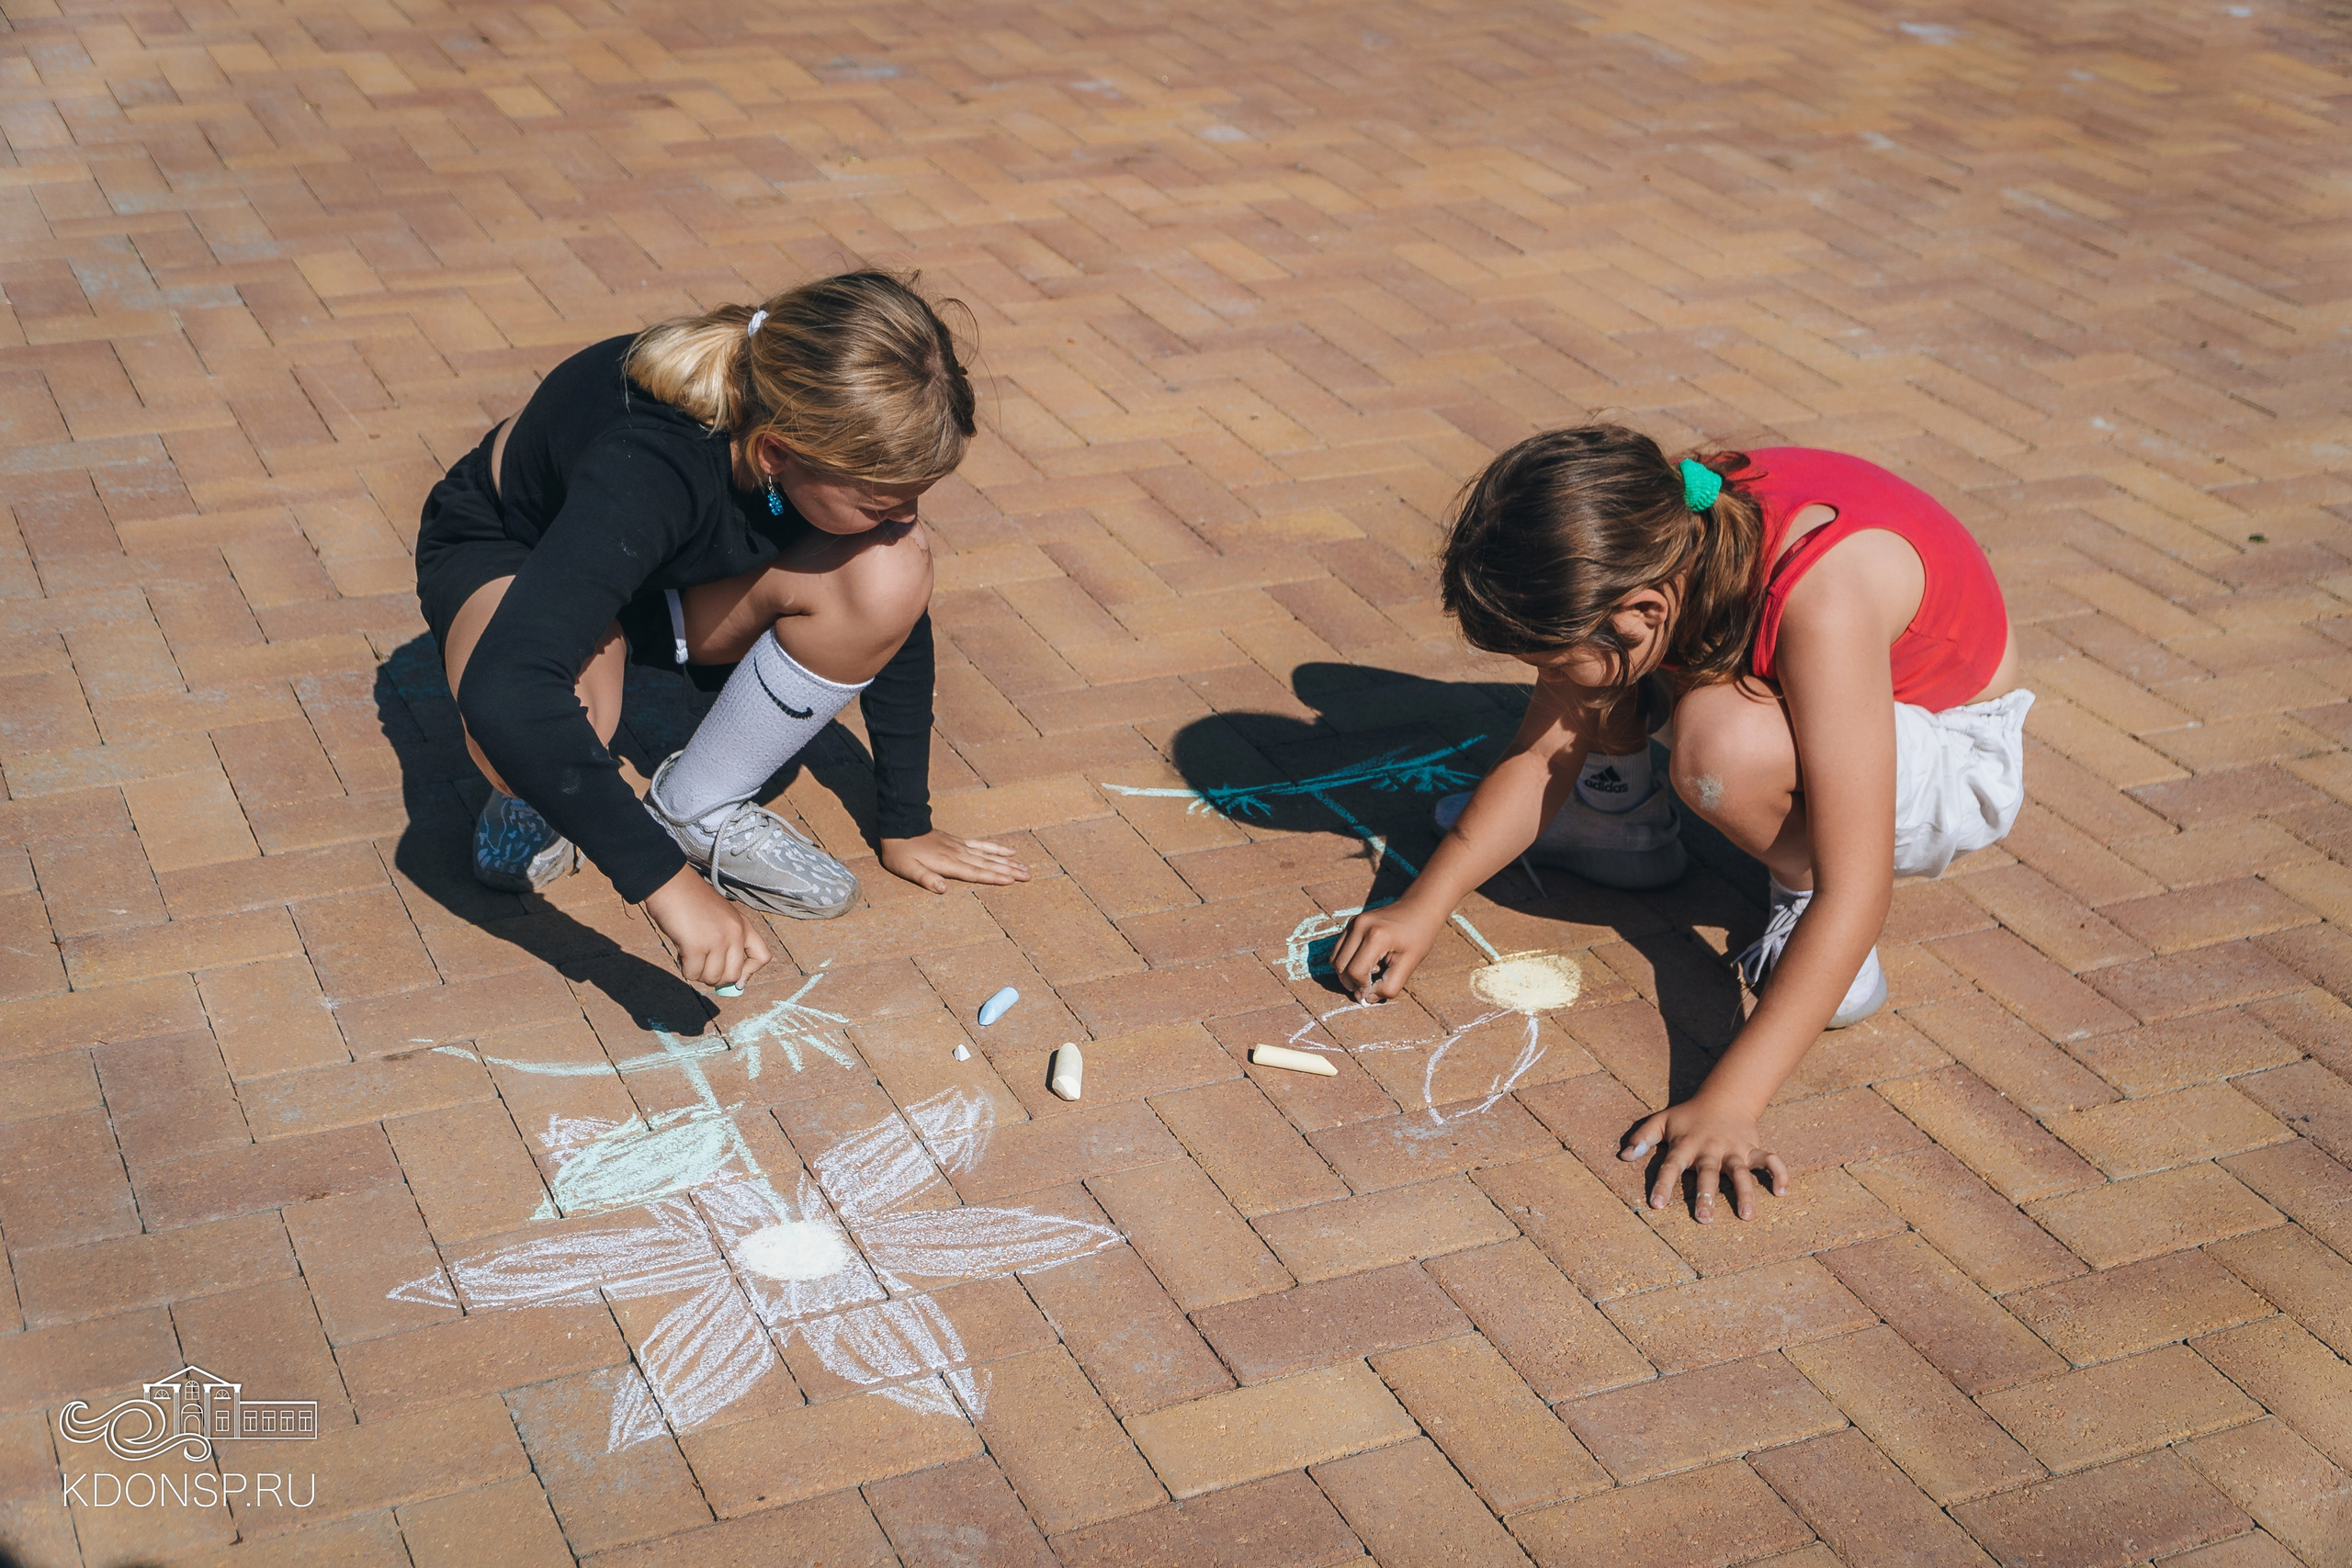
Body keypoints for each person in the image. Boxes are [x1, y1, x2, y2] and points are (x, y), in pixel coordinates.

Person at [1333, 426, 2031, 1223]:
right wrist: (1425, 902)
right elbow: (1541, 755)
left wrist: (1731, 1101)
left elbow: (1859, 884)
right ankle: (1620, 825)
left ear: (1643, 609)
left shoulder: (1822, 603)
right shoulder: (1640, 538)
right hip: (1787, 673)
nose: (1549, 682)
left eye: (1554, 662)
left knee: (1720, 749)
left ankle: (1795, 898)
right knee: (1655, 701)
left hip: (1947, 744)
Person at [414, 271, 1029, 993]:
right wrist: (672, 890)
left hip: (657, 581)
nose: (902, 517)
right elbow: (506, 689)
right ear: (774, 455)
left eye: (913, 498)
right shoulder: (647, 466)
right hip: (523, 559)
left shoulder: (804, 437)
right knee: (524, 721)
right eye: (878, 501)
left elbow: (899, 614)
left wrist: (906, 820)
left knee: (891, 568)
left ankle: (698, 807)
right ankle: (534, 788)